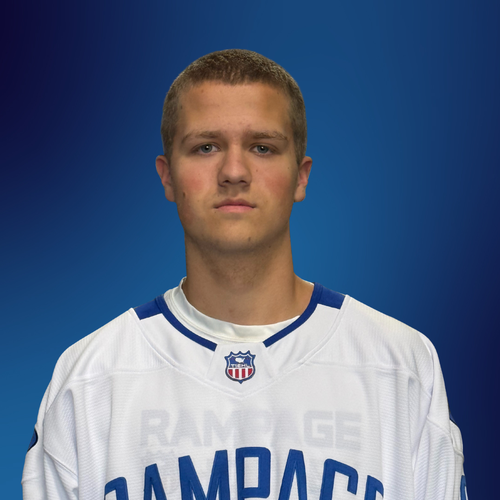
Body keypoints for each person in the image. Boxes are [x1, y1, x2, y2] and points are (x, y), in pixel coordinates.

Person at [22, 49, 467, 500]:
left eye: (262, 148)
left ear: (301, 176)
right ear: (167, 176)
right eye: (206, 147)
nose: (234, 172)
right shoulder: (91, 379)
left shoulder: (399, 366)